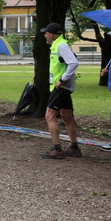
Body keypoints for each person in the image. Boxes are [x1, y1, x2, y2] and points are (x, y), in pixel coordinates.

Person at [39, 22, 82, 159]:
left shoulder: (61, 45)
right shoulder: (57, 45)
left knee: (49, 116)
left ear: (50, 35)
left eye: (46, 33)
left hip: (61, 87)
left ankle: (56, 149)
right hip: (62, 87)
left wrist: (63, 79)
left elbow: (74, 63)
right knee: (67, 116)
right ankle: (74, 147)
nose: (45, 35)